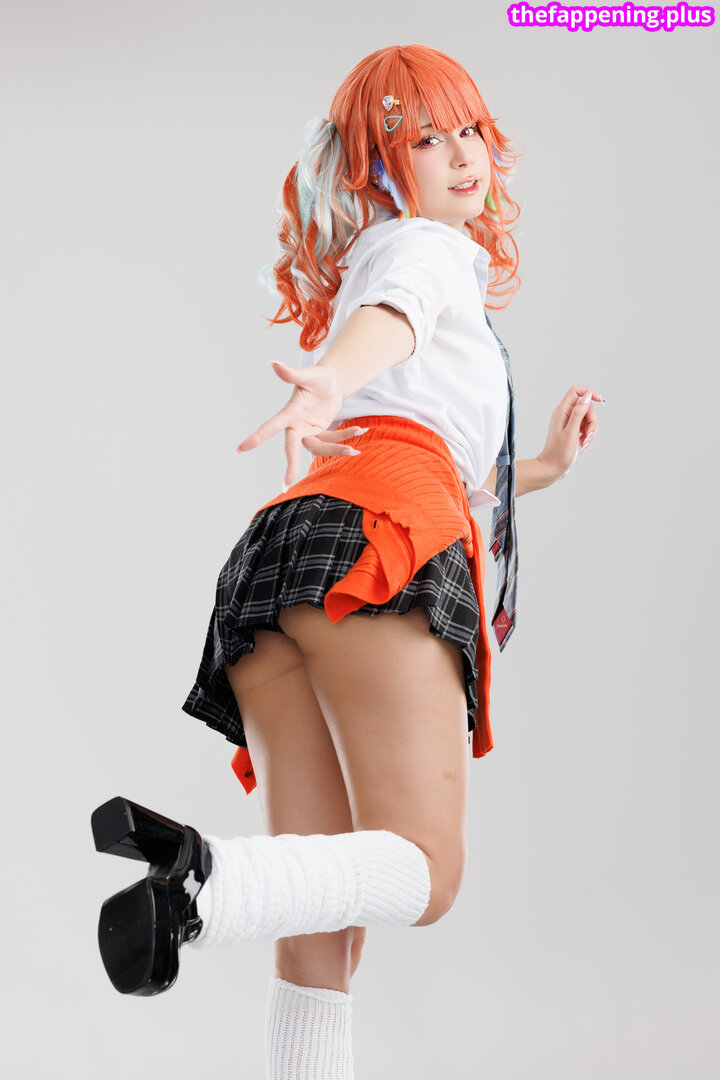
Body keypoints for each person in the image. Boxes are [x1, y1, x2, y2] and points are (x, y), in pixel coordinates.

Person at [90, 43, 603, 1078]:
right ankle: (208, 884)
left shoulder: (381, 257)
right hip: (375, 545)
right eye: (427, 139)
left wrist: (540, 467)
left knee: (321, 932)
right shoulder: (423, 251)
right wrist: (331, 376)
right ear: (380, 167)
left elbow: (428, 452)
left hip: (285, 557)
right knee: (428, 874)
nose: (463, 155)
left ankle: (221, 895)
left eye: (470, 130)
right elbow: (393, 321)